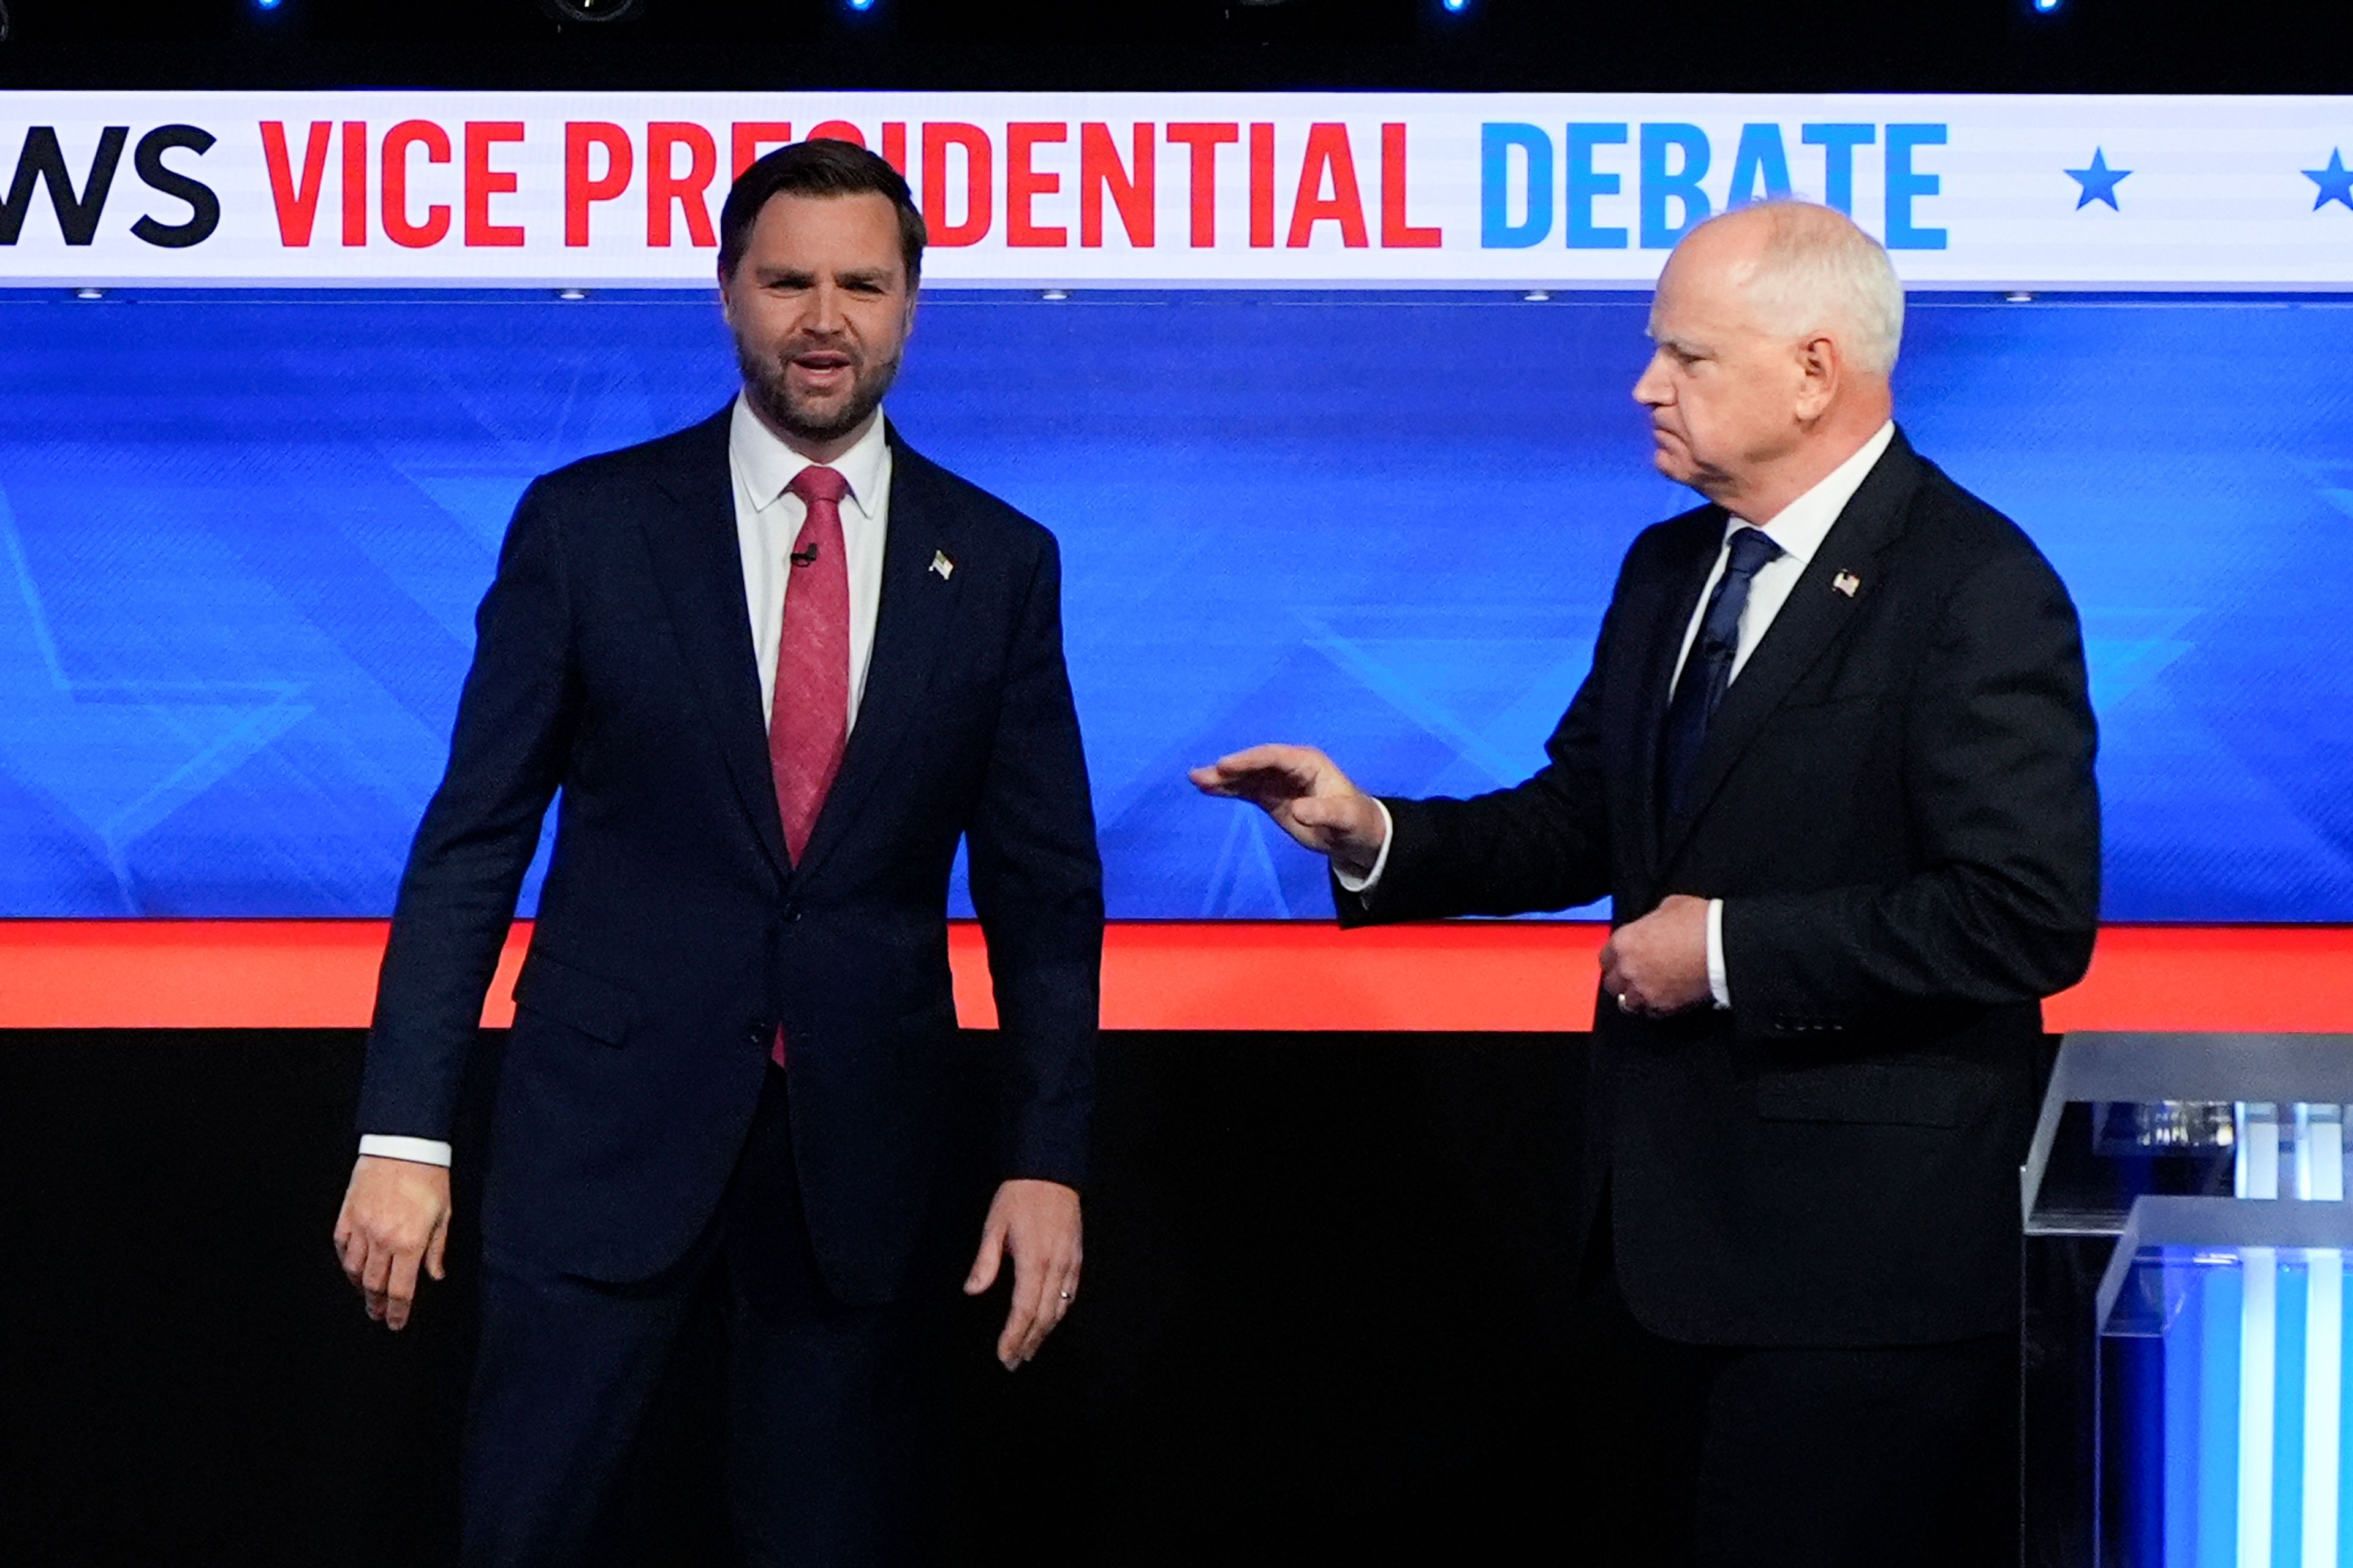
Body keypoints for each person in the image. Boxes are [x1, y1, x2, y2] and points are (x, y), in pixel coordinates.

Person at [1193, 200, 2099, 1567]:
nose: (1643, 385)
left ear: (1814, 371)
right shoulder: (1670, 565)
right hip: (1658, 1262)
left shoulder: (1975, 586)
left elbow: (2026, 910)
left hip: (1857, 1294)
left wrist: (1728, 950)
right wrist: (1373, 829)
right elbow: (1586, 817)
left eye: (1686, 356)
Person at [330, 138, 1104, 1567]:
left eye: (862, 283)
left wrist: (1046, 1155)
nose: (826, 317)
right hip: (597, 1145)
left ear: (913, 305)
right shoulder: (586, 527)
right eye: (789, 280)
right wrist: (403, 1129)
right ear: (728, 296)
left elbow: (1047, 896)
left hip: (858, 1172)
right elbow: (471, 843)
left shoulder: (1000, 563)